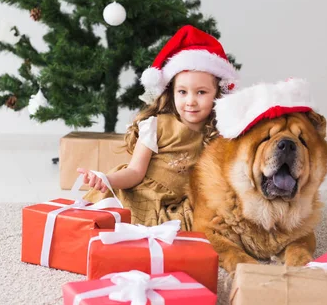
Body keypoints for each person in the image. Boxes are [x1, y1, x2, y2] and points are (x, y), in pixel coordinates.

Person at [78, 25, 239, 229]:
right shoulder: (156, 125)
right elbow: (135, 172)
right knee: (111, 227)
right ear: (171, 92)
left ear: (216, 94)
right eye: (182, 92)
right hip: (139, 195)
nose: (190, 101)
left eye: (201, 92)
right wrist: (107, 179)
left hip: (176, 205)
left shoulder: (218, 136)